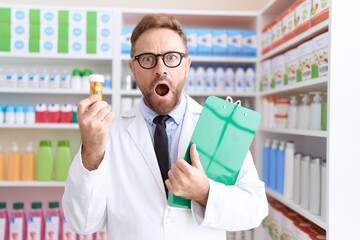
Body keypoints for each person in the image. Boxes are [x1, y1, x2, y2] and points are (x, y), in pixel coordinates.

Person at [62, 14, 268, 240]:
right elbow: (82, 222)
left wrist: (205, 193)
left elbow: (255, 209)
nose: (161, 69)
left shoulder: (220, 127)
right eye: (148, 59)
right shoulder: (109, 134)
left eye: (171, 57)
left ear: (187, 65)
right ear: (133, 69)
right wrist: (91, 150)